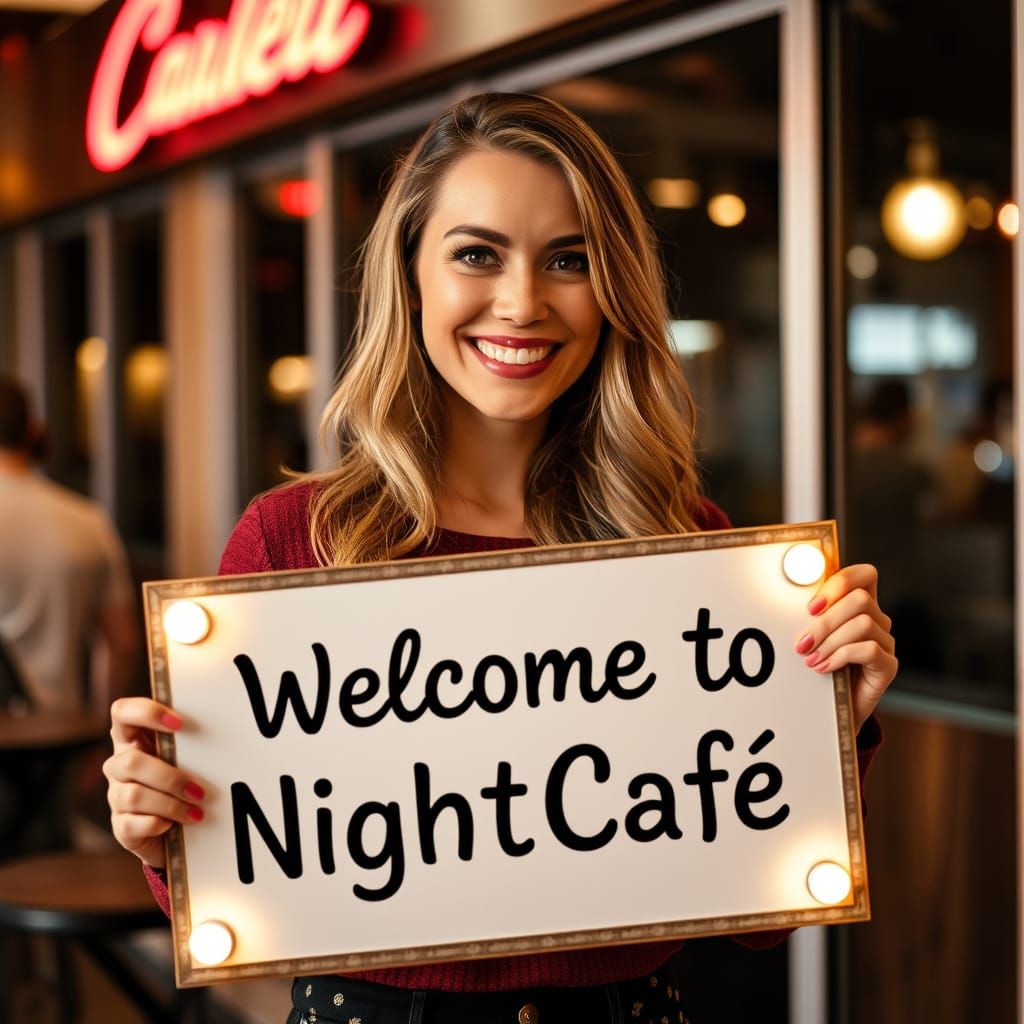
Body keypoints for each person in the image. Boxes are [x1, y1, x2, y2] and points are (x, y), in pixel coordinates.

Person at [104, 93, 896, 1024]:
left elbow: (759, 919)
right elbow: (250, 901)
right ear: (411, 277)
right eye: (477, 253)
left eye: (569, 259)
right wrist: (161, 834)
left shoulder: (688, 546)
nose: (522, 301)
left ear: (614, 291)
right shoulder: (293, 544)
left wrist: (828, 727)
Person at [0, 376, 138, 716]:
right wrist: (104, 734)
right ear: (32, 433)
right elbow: (123, 643)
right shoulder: (87, 520)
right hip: (58, 739)